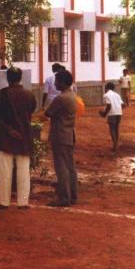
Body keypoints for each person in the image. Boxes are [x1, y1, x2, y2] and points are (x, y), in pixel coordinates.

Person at [0, 67, 36, 209]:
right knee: (24, 170)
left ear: (7, 78)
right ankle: (23, 202)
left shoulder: (2, 94)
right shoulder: (29, 94)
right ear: (20, 77)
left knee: (5, 170)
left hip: (6, 135)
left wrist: (9, 129)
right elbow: (30, 112)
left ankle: (4, 202)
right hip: (24, 135)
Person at [44, 69, 78, 207]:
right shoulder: (72, 95)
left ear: (63, 82)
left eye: (57, 81)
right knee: (70, 166)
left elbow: (48, 113)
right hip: (69, 134)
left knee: (61, 167)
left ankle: (64, 198)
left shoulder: (61, 98)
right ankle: (73, 195)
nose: (55, 83)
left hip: (60, 135)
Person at [100, 81, 123, 151]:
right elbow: (123, 105)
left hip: (112, 113)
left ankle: (115, 144)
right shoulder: (117, 95)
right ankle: (116, 143)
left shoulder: (106, 95)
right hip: (119, 113)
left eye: (105, 87)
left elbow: (109, 105)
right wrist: (118, 109)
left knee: (112, 129)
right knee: (116, 128)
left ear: (107, 88)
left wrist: (104, 113)